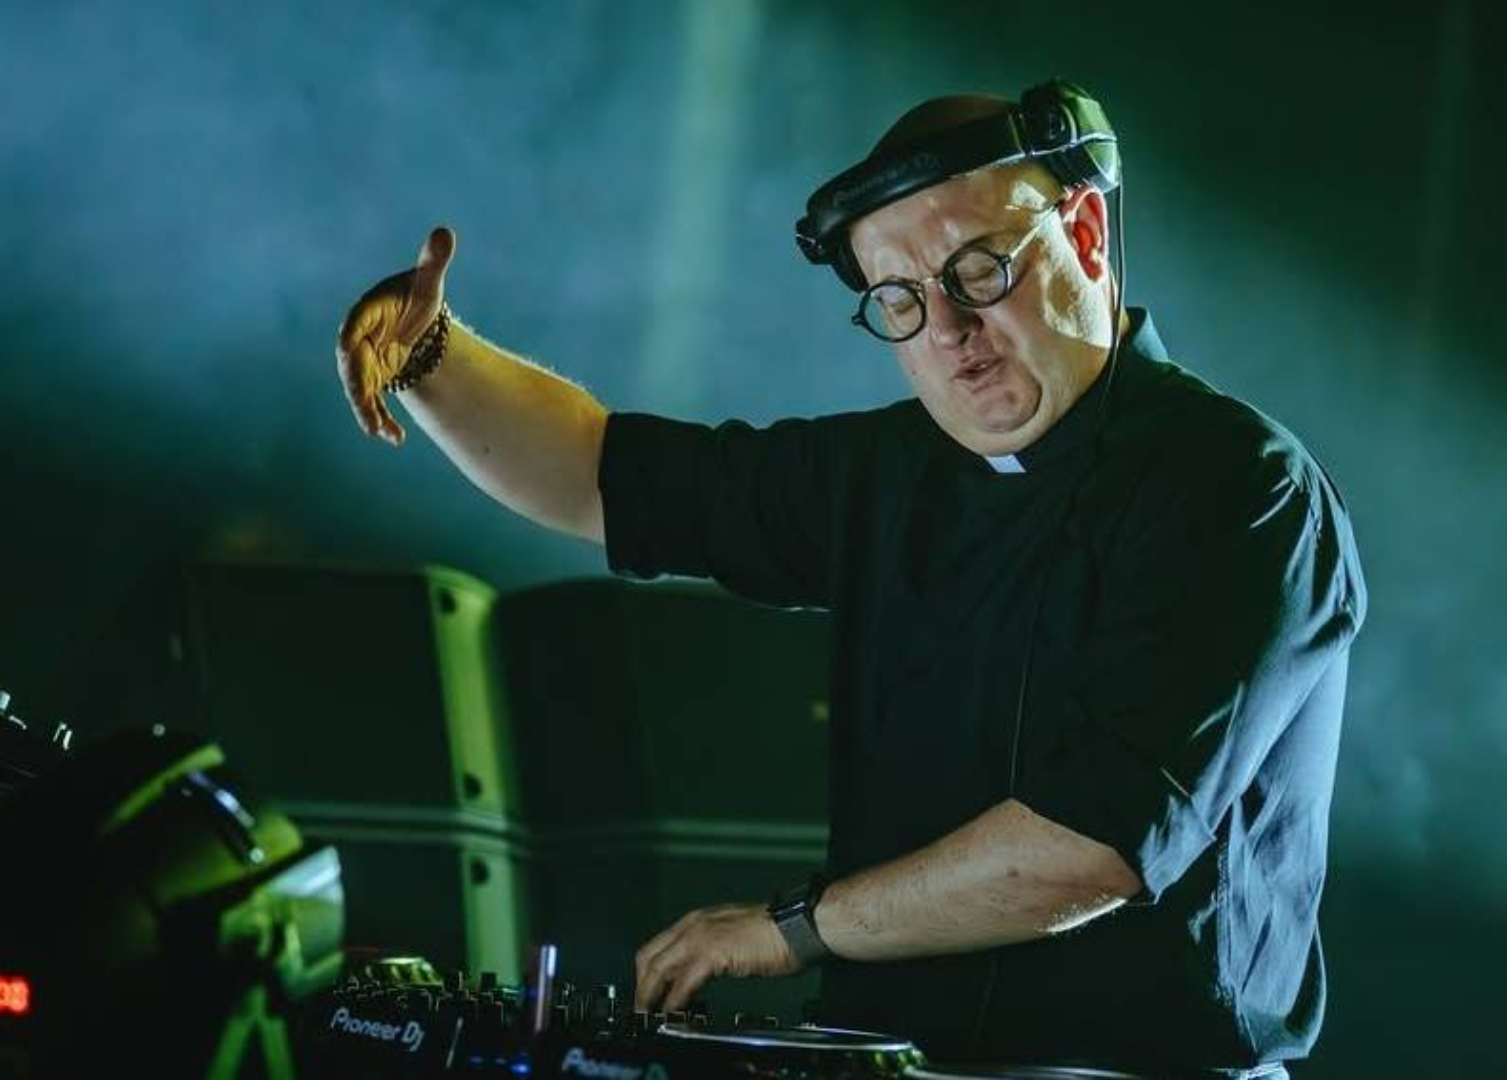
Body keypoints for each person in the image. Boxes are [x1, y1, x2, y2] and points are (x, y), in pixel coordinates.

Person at [333, 84, 1365, 1076]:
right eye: (901, 301)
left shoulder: (1237, 487)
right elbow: (605, 479)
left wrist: (795, 930)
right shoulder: (882, 475)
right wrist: (432, 357)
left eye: (978, 272)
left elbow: (1091, 846)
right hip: (886, 1061)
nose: (950, 332)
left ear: (1087, 235)